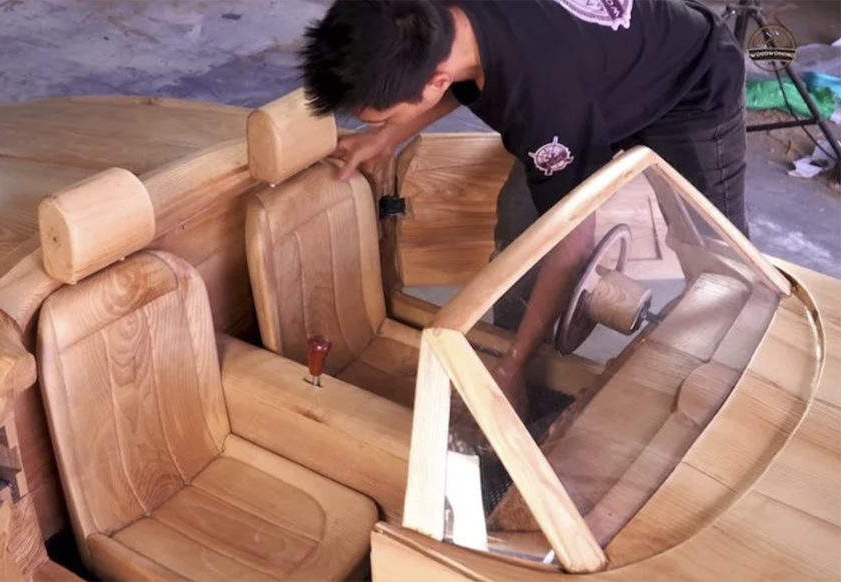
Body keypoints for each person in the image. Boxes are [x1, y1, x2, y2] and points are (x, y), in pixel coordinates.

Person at [298, 0, 748, 420]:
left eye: (381, 117)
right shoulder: (425, 20)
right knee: (521, 225)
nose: (380, 125)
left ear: (436, 81)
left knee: (717, 254)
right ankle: (521, 367)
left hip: (691, 82)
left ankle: (734, 383)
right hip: (591, 67)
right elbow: (458, 76)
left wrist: (516, 362)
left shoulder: (543, 101)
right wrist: (386, 137)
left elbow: (572, 241)